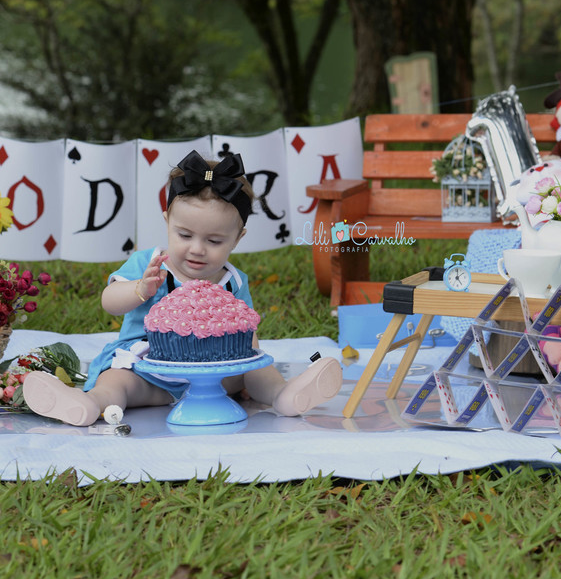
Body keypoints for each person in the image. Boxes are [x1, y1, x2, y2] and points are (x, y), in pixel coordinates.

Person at [23, 151, 342, 426]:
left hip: (215, 374)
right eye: (184, 235)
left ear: (238, 239)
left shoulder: (232, 279)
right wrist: (139, 290)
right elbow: (109, 301)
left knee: (259, 372)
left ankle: (284, 396)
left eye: (214, 241)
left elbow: (246, 327)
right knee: (117, 382)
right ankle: (89, 405)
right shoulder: (150, 264)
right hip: (148, 369)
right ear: (166, 222)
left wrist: (248, 359)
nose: (197, 249)